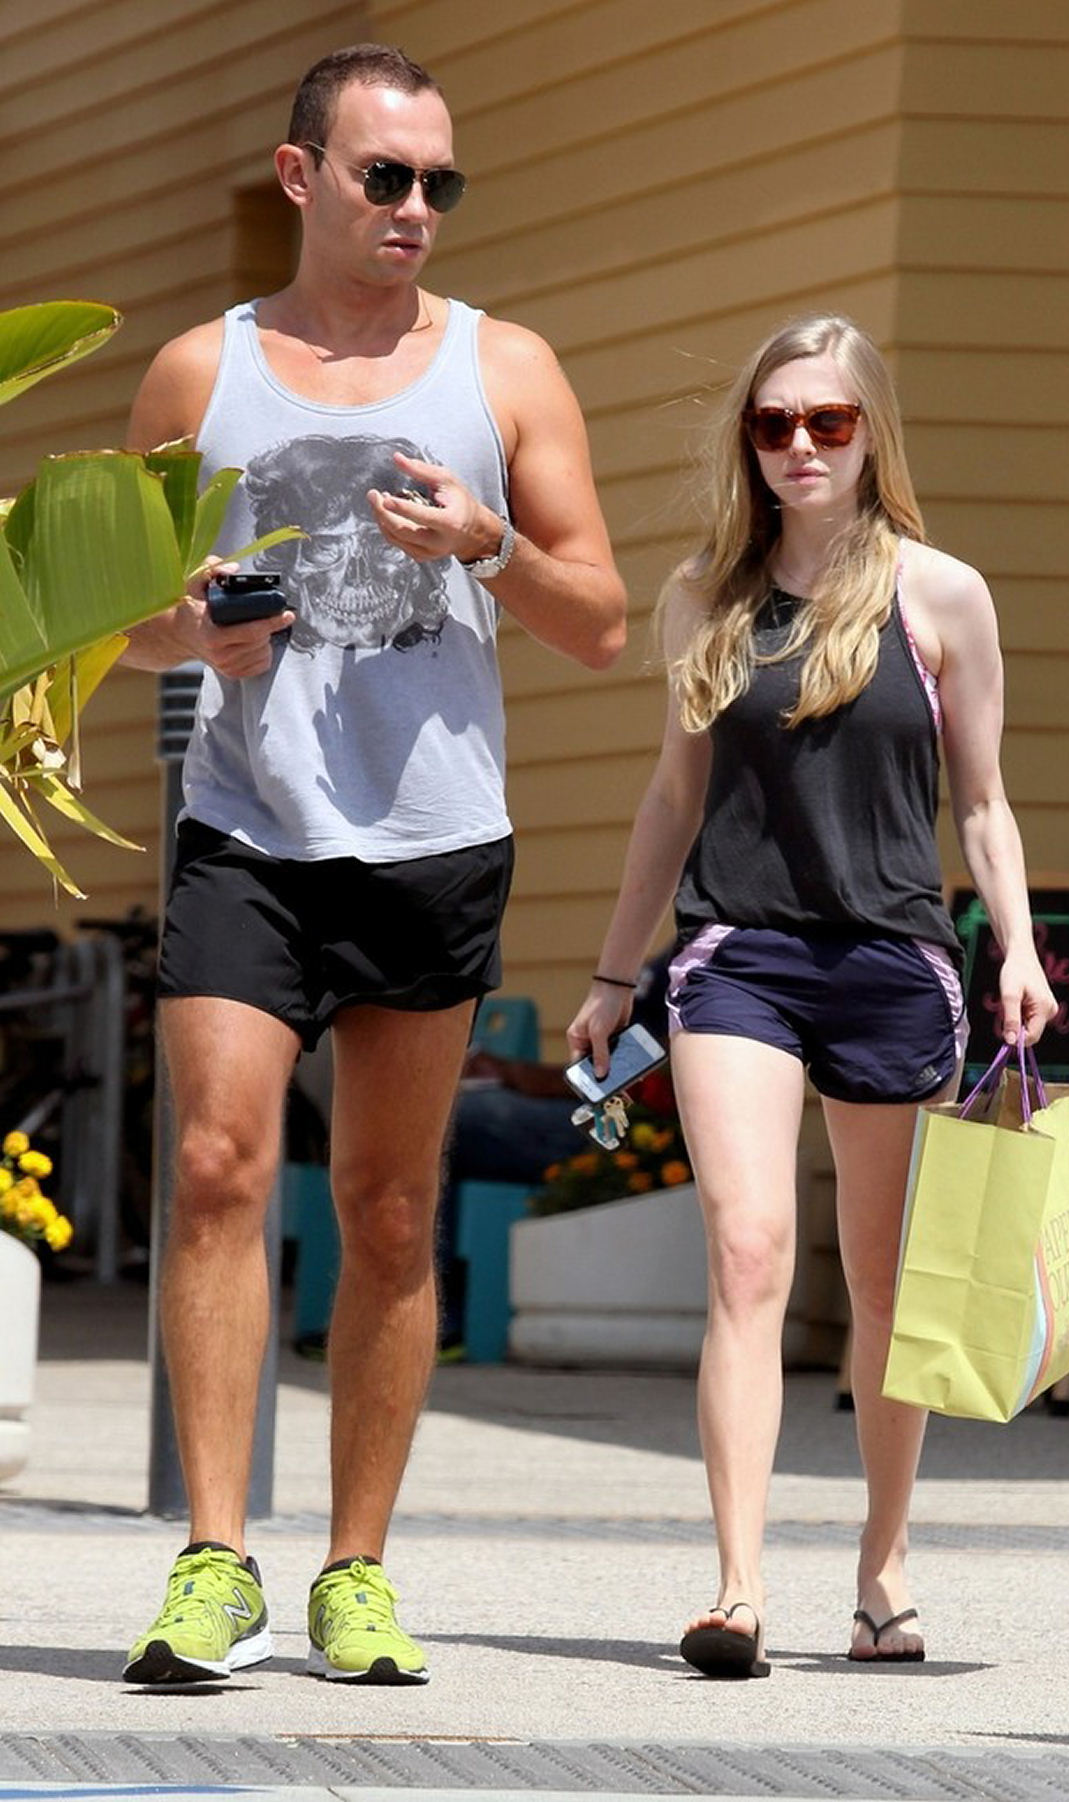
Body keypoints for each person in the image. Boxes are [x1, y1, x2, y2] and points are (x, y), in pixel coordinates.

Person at [117, 42, 625, 1688]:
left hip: (431, 835)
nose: (416, 209)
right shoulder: (202, 375)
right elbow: (122, 625)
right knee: (212, 1161)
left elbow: (603, 622)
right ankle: (214, 1559)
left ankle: (356, 1573)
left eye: (438, 184)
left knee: (391, 1210)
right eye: (384, 176)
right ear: (300, 178)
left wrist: (491, 547)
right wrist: (195, 633)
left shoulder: (508, 371)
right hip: (247, 827)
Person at [567, 313, 1057, 1680]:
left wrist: (1013, 947)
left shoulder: (942, 596)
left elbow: (985, 804)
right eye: (774, 422)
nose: (797, 445)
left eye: (826, 422)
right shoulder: (702, 599)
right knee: (748, 1252)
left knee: (887, 1287)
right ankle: (735, 1586)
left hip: (897, 963)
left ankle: (884, 1574)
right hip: (741, 961)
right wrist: (617, 974)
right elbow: (673, 797)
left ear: (871, 436)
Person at [437, 954, 672, 1347]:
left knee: (455, 1123)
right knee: (434, 1120)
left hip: (634, 1127)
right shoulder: (674, 950)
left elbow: (655, 1064)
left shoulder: (716, 951)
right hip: (591, 1104)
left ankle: (439, 1315)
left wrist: (520, 1075)